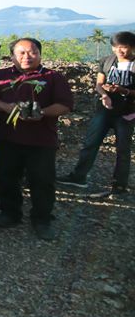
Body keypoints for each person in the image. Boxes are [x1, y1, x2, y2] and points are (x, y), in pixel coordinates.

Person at [0, 38, 74, 240]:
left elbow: (65, 104)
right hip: (7, 138)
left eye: (32, 52)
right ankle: (10, 212)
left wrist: (43, 112)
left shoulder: (52, 77)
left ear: (40, 54)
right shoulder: (1, 76)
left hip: (41, 140)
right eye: (21, 53)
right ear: (12, 56)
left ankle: (42, 219)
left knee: (42, 180)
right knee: (6, 177)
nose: (26, 57)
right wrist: (6, 107)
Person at [58, 30, 135, 196]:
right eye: (116, 47)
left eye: (124, 47)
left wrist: (123, 91)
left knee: (123, 149)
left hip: (127, 113)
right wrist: (105, 94)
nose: (120, 51)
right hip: (104, 110)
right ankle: (79, 177)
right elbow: (99, 84)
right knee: (90, 143)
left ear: (132, 47)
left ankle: (119, 185)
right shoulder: (107, 61)